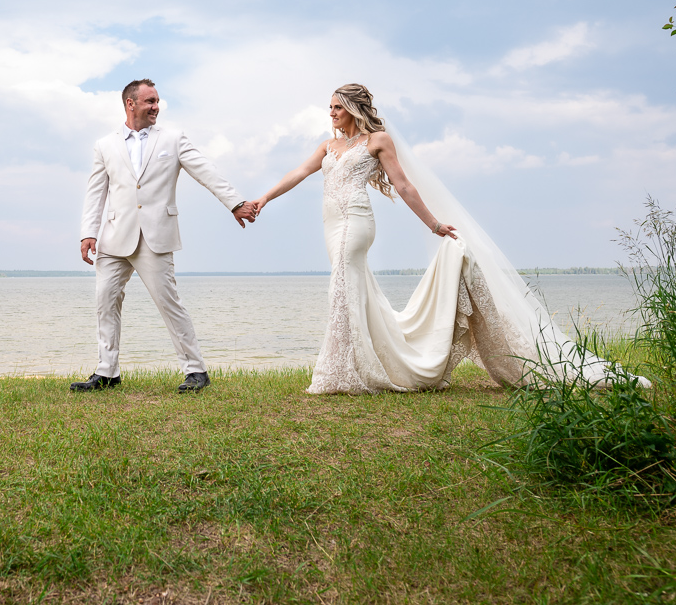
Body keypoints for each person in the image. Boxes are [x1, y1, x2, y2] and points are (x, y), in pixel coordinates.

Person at [251, 83, 628, 394]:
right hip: (330, 224)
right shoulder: (328, 146)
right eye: (329, 107)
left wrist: (434, 225)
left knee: (340, 288)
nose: (331, 113)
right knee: (352, 290)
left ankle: (338, 374)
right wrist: (263, 199)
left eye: (337, 107)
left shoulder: (377, 141)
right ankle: (356, 367)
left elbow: (404, 186)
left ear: (353, 108)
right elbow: (299, 173)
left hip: (355, 221)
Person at [75, 79, 259, 393]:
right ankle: (107, 372)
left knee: (169, 303)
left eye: (157, 101)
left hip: (155, 236)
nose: (156, 107)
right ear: (130, 104)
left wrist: (236, 203)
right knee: (105, 302)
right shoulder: (104, 145)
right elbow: (96, 192)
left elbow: (205, 171)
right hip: (114, 238)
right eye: (150, 101)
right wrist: (88, 232)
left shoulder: (173, 139)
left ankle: (196, 371)